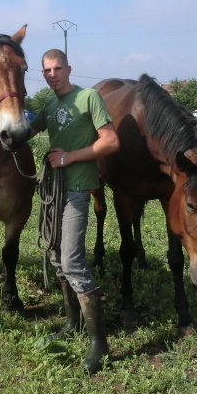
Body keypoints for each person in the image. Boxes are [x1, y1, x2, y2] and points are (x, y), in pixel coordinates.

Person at [29, 49, 120, 373]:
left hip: (78, 189)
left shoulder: (89, 98)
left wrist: (69, 157)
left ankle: (99, 343)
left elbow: (110, 142)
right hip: (53, 191)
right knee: (55, 256)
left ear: (68, 69)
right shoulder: (49, 105)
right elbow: (28, 130)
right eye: (46, 71)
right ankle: (73, 323)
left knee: (72, 261)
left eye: (57, 69)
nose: (52, 74)